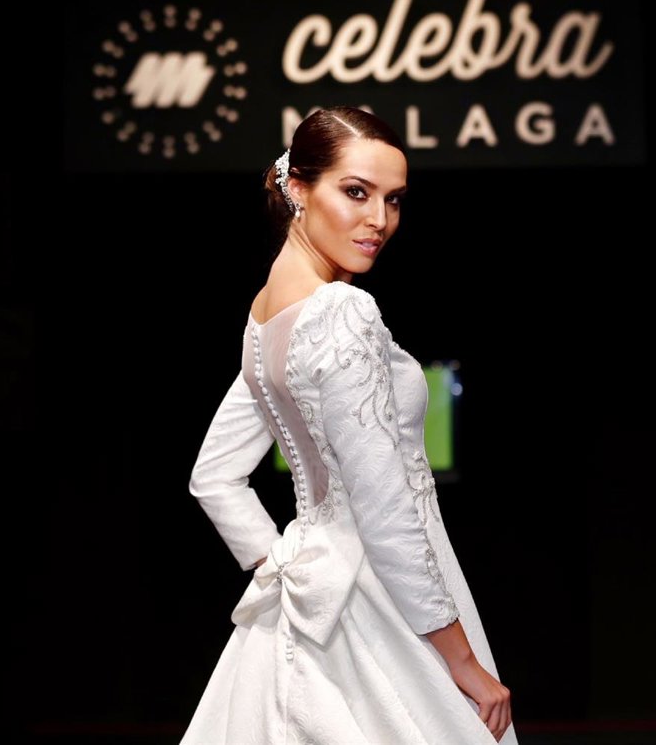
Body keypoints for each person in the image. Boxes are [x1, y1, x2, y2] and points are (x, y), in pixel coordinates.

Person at [179, 106, 516, 744]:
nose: (379, 219)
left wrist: (288, 564)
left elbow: (213, 478)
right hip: (384, 607)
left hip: (309, 601)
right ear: (298, 189)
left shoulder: (266, 315)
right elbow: (385, 510)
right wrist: (462, 661)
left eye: (394, 199)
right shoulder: (341, 311)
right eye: (356, 192)